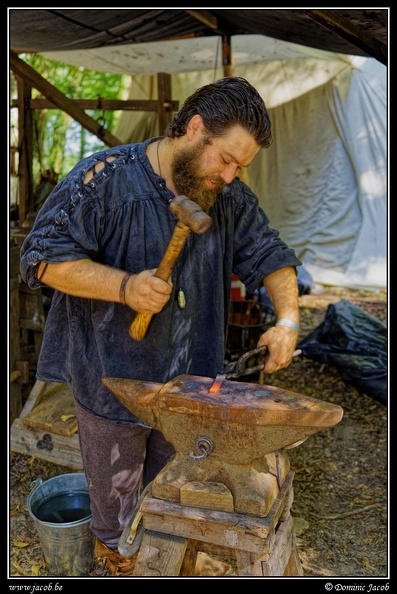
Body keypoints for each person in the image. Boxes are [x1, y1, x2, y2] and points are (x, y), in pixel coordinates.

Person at [20, 76, 302, 576]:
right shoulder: (104, 178)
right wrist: (125, 287)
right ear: (195, 129)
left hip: (190, 384)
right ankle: (116, 560)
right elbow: (40, 259)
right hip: (112, 380)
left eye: (241, 166)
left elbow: (270, 254)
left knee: (173, 499)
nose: (232, 176)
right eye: (227, 159)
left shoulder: (225, 195)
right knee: (116, 511)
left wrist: (287, 319)